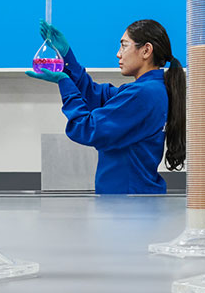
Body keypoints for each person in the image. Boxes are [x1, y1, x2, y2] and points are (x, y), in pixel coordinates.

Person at [27, 19, 186, 194]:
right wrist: (67, 56)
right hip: (133, 199)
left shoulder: (143, 94)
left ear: (146, 50)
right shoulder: (149, 89)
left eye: (124, 46)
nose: (119, 54)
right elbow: (96, 95)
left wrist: (64, 82)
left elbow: (87, 128)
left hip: (130, 205)